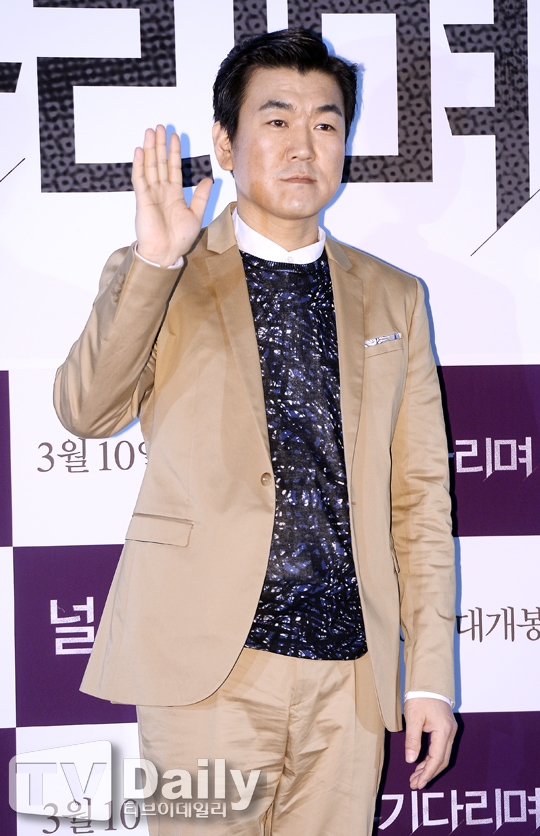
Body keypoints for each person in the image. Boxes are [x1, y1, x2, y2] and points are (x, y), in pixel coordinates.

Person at [54, 28, 457, 836]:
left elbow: (420, 498)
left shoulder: (395, 296)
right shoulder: (162, 268)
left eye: (326, 123)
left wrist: (430, 679)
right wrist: (156, 261)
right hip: (207, 666)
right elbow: (86, 411)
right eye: (276, 120)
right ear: (225, 142)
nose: (304, 144)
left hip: (350, 678)